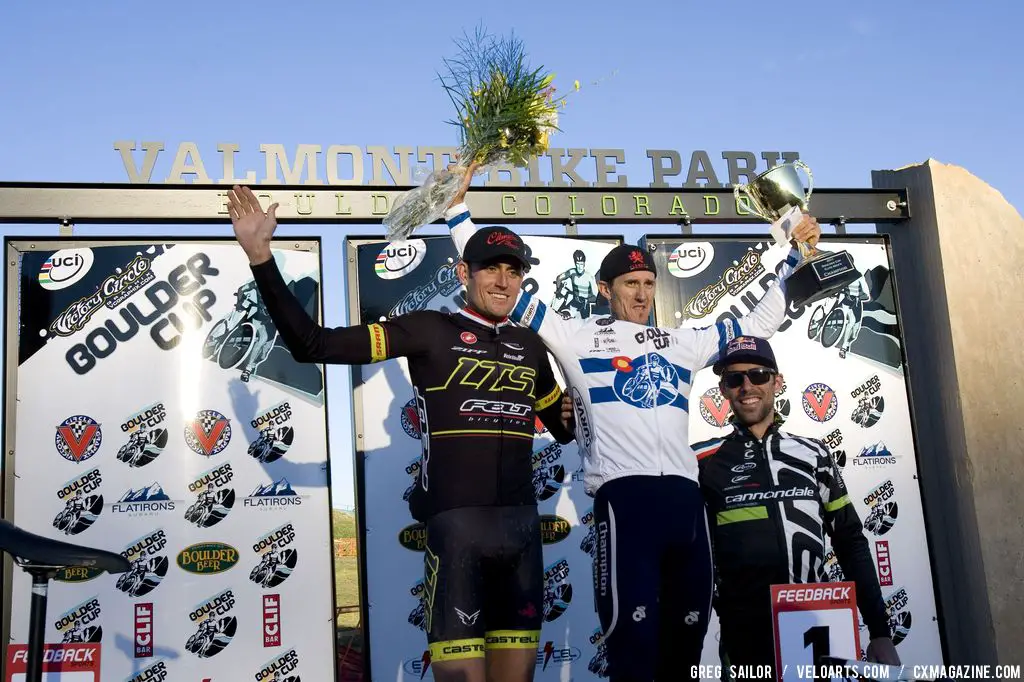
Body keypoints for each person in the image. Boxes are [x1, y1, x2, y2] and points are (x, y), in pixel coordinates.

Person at [442, 164, 822, 682]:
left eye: (648, 283)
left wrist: (794, 253)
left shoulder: (682, 343)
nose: (642, 295)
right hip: (627, 501)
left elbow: (754, 325)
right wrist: (455, 212)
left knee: (687, 648)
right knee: (633, 648)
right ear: (605, 288)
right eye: (630, 284)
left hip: (686, 503)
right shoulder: (574, 336)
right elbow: (503, 284)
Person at [227, 185, 575, 682]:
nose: (503, 279)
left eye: (514, 269)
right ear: (464, 273)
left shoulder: (530, 344)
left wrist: (579, 404)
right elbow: (312, 343)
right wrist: (261, 257)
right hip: (456, 533)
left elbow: (561, 430)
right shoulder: (428, 329)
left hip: (521, 533)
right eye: (491, 267)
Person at [693, 335, 900, 679]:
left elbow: (850, 542)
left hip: (819, 619)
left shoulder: (814, 453)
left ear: (777, 382)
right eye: (735, 379)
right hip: (744, 630)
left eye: (758, 375)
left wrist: (879, 630)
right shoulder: (702, 461)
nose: (747, 386)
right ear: (724, 390)